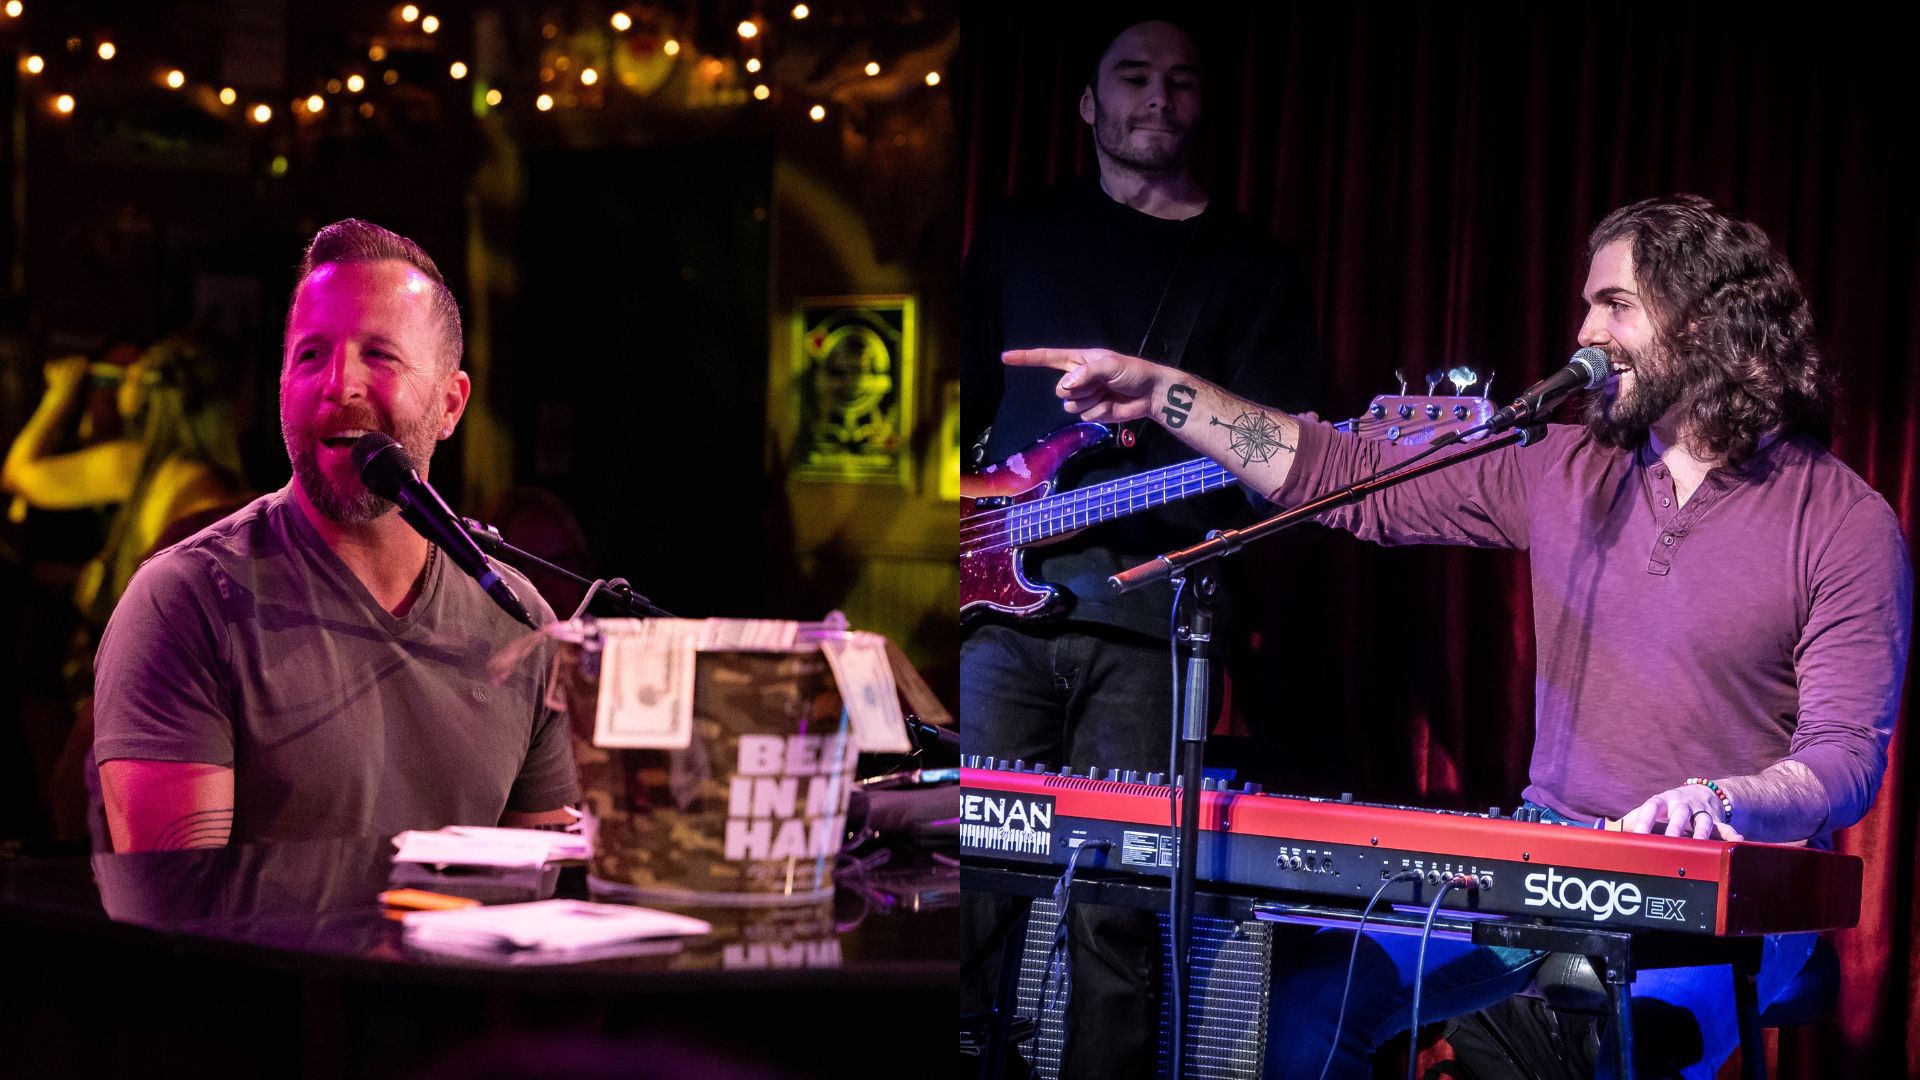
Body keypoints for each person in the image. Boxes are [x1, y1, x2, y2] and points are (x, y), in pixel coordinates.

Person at [1005, 194, 1912, 1078]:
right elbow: (1341, 474)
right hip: (1551, 859)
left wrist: (1722, 799)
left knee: (1641, 1042)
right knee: (1314, 1005)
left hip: (1736, 892)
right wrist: (1165, 391)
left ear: (1709, 322)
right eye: (1586, 304)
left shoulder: (1840, 522)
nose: (1585, 331)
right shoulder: (1563, 467)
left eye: (1615, 305)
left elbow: (1842, 760)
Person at [960, 15, 1321, 1078]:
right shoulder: (1019, 235)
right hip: (995, 609)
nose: (1159, 97)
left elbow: (1288, 449)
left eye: (1182, 80)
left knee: (1117, 908)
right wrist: (967, 510)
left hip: (1151, 618)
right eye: (1133, 76)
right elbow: (965, 399)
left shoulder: (1251, 267)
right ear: (1088, 101)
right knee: (973, 883)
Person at [91, 219, 577, 853]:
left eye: (379, 354)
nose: (337, 385)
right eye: (310, 355)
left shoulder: (520, 620)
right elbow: (182, 922)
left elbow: (544, 899)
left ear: (451, 405)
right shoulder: (186, 602)